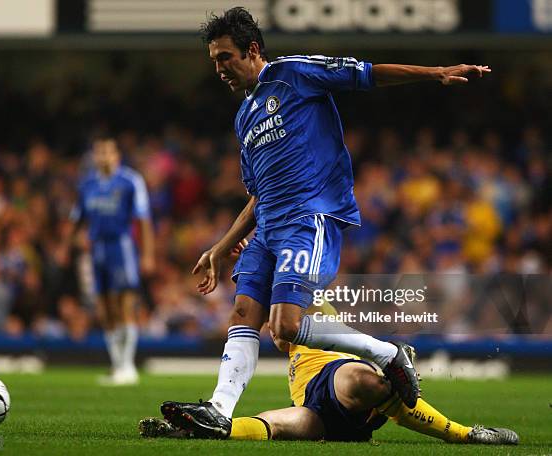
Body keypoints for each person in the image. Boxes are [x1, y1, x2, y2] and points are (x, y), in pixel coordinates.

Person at [162, 7, 491, 437]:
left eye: (225, 57)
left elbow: (367, 73)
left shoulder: (296, 73)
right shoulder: (244, 117)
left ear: (252, 50)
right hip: (269, 228)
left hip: (308, 216)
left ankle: (387, 354)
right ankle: (219, 409)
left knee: (286, 326)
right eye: (214, 60)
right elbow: (256, 197)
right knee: (243, 313)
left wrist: (434, 73)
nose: (219, 68)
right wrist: (219, 249)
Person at [142, 328, 518, 445]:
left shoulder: (313, 308)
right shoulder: (287, 328)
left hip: (333, 375)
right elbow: (277, 331)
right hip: (318, 410)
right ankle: (195, 431)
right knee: (275, 422)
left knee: (359, 380)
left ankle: (466, 434)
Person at [69, 135, 155, 385]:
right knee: (104, 307)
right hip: (97, 249)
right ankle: (118, 365)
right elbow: (77, 219)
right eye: (99, 152)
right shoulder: (87, 185)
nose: (103, 157)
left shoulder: (130, 181)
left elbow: (144, 219)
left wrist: (148, 254)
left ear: (117, 155)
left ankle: (128, 366)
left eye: (107, 152)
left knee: (125, 303)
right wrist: (71, 243)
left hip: (122, 245)